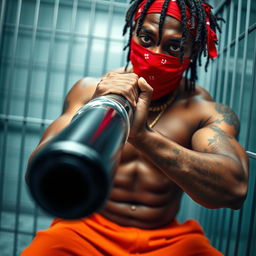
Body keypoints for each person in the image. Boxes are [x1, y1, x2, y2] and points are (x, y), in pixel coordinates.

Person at [21, 0, 249, 255]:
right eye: (146, 38)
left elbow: (234, 189)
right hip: (87, 228)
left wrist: (143, 136)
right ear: (132, 33)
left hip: (167, 240)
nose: (155, 53)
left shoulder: (204, 110)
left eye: (174, 46)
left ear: (193, 52)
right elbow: (37, 170)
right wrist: (97, 110)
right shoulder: (90, 90)